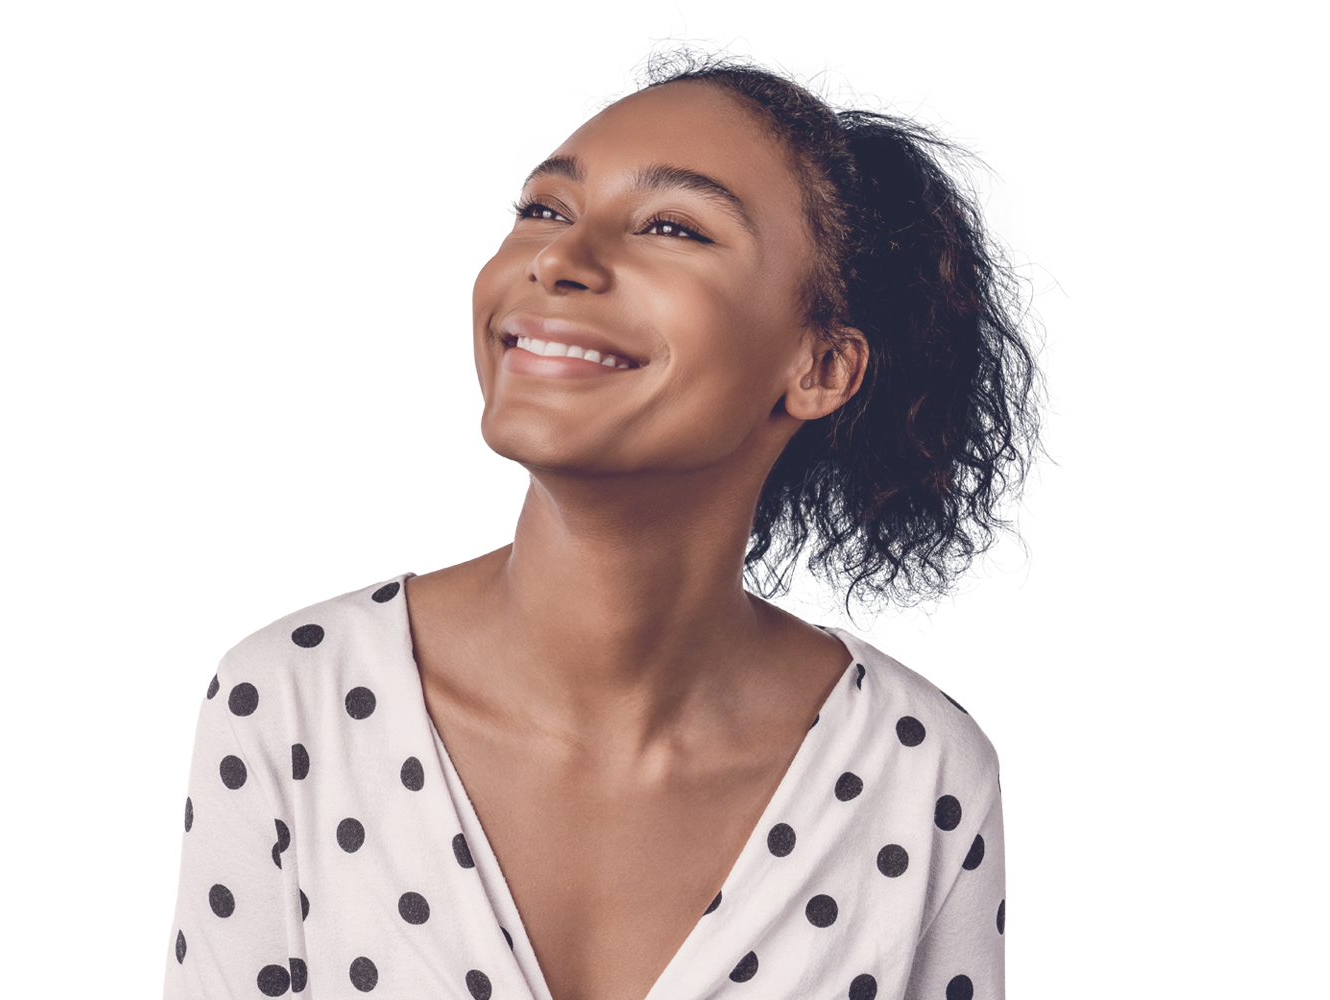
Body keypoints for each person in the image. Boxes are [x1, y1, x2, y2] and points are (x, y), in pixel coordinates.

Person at [170, 73, 1056, 1000]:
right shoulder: (291, 700)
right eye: (543, 208)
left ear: (821, 366)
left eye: (672, 226)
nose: (559, 258)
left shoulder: (919, 772)